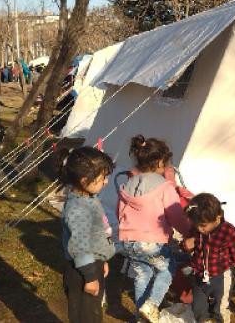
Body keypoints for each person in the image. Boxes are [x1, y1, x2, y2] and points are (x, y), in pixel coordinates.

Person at [117, 135, 191, 323]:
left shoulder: (128, 184)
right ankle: (151, 304)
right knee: (167, 269)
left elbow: (120, 213)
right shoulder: (164, 187)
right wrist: (188, 232)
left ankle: (140, 316)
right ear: (159, 162)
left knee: (143, 275)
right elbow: (176, 215)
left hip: (129, 241)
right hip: (152, 241)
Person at [59, 147, 116, 323]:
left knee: (92, 312)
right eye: (102, 178)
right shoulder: (78, 208)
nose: (106, 182)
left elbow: (95, 235)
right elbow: (80, 245)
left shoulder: (88, 199)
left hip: (92, 265)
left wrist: (102, 259)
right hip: (83, 272)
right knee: (86, 316)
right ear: (85, 180)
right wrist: (90, 276)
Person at [185, 193, 235, 323]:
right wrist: (187, 244)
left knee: (219, 308)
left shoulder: (228, 232)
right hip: (199, 275)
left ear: (217, 218)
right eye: (196, 225)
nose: (199, 229)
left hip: (221, 277)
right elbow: (190, 242)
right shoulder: (198, 228)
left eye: (203, 225)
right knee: (198, 308)